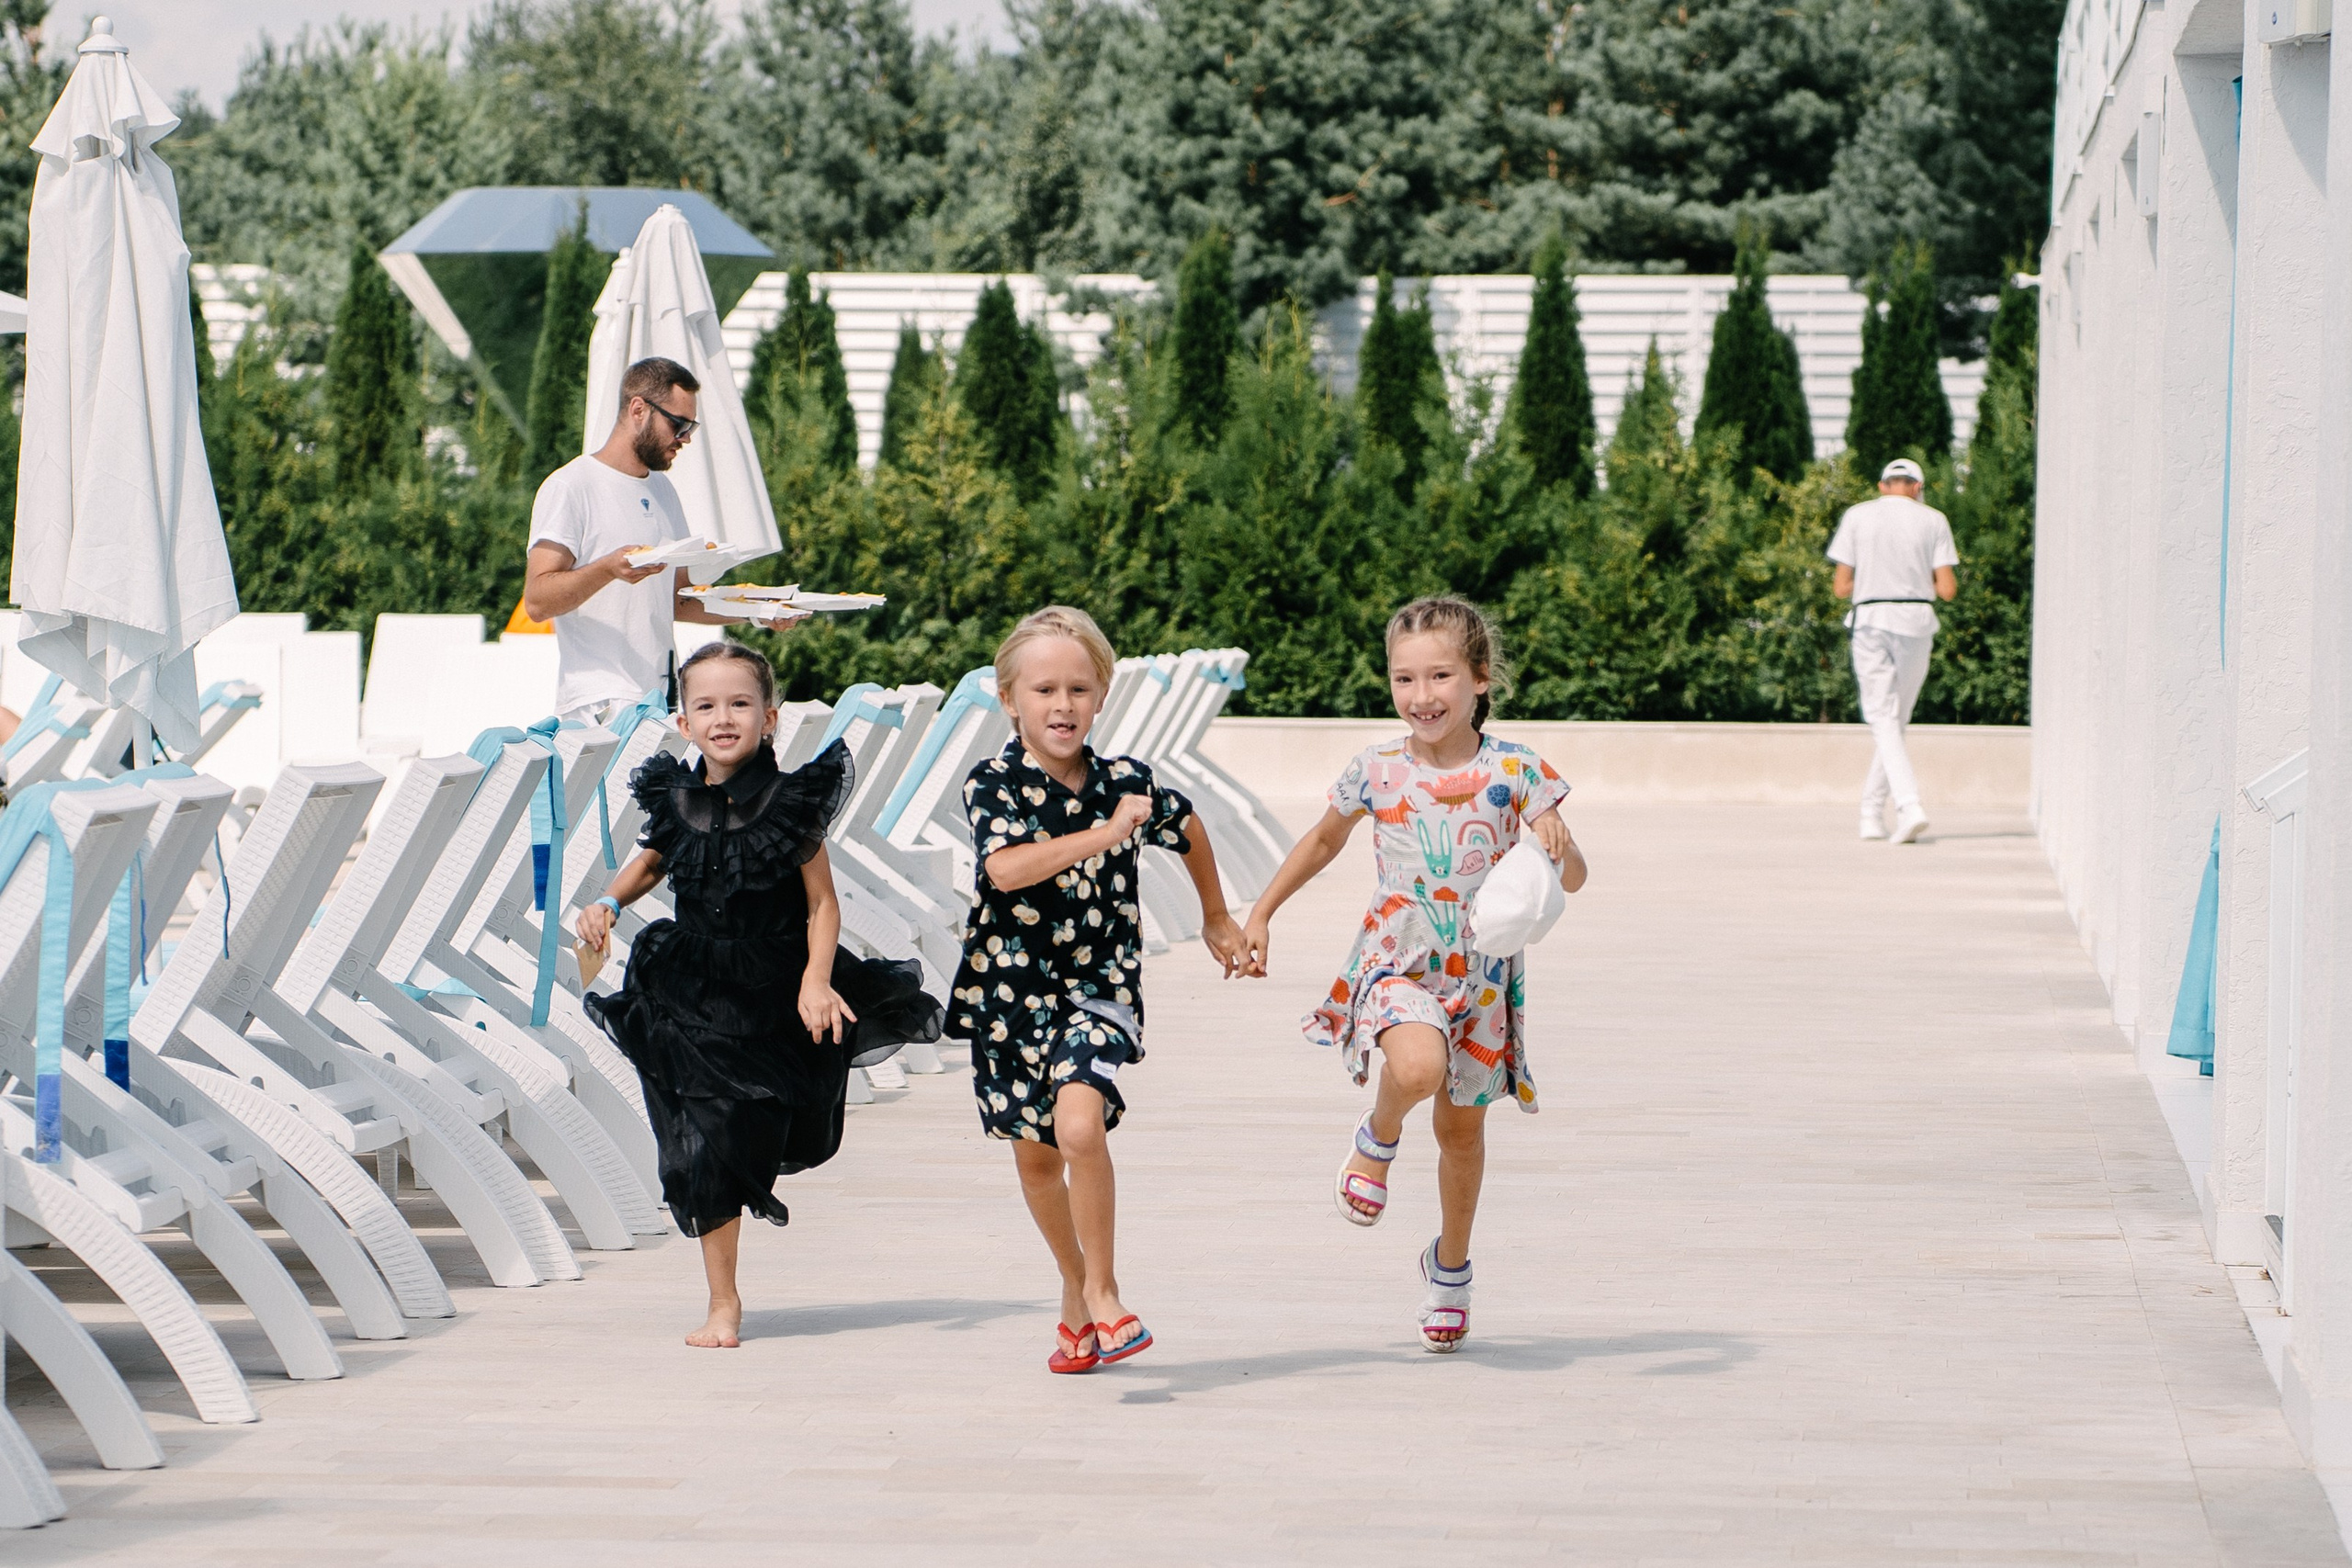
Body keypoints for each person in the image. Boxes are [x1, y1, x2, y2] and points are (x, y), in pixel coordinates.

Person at [1238, 596, 1585, 1354]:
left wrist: (1553, 841)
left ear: (1480, 677)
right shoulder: (1378, 768)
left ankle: (1449, 1267)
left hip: (1481, 979)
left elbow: (1575, 877)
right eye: (1404, 678)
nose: (1421, 695)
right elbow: (1323, 840)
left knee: (1461, 1132)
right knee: (1418, 1066)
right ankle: (1379, 1133)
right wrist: (1262, 912)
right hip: (1397, 959)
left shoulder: (1518, 770)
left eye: (1440, 676)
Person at [576, 640, 944, 1348]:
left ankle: (737, 1211)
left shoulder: (788, 803)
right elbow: (653, 861)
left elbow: (823, 904)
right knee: (704, 1142)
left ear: (769, 717)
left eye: (740, 703)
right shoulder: (675, 797)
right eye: (706, 705)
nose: (723, 718)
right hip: (691, 985)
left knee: (758, 1125)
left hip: (774, 985)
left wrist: (816, 979)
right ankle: (723, 1301)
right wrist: (608, 903)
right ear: (684, 723)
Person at [952, 606, 1244, 1373]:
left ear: (1102, 696)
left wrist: (1217, 914)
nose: (1062, 705)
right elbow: (1005, 869)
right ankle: (1075, 1286)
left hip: (1098, 987)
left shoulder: (1126, 782)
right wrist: (1106, 834)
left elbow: (1187, 826)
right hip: (1008, 997)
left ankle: (1105, 1293)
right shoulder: (992, 783)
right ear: (1008, 698)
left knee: (1079, 1127)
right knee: (1036, 1160)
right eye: (1044, 689)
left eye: (1079, 689)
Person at [521, 356, 786, 725]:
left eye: (691, 426)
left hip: (660, 699)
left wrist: (761, 609)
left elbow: (678, 600)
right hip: (600, 703)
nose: (686, 438)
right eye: (678, 424)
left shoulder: (663, 491)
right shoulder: (571, 486)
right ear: (638, 409)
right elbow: (537, 601)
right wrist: (609, 568)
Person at [1827, 457, 1960, 844]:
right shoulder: (1934, 519)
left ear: (1883, 485)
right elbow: (1947, 589)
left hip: (1871, 619)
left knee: (1884, 719)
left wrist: (1877, 580)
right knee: (1894, 720)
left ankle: (1904, 806)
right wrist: (1911, 580)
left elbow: (1840, 587)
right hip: (1916, 621)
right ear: (1917, 487)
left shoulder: (1857, 516)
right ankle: (1873, 813)